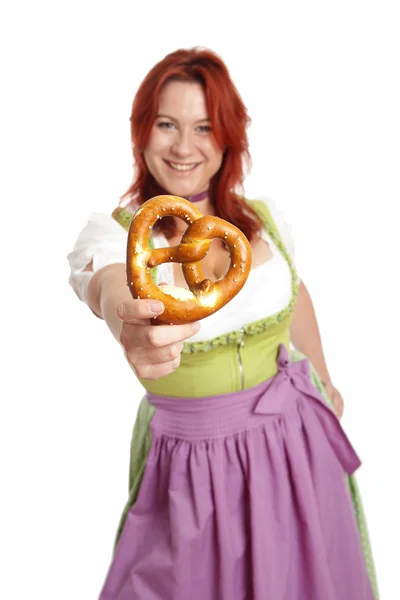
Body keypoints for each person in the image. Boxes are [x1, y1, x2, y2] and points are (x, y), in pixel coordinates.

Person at [67, 47, 379, 599]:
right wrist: (130, 326)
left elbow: (294, 293)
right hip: (194, 465)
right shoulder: (119, 236)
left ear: (229, 136)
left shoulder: (263, 221)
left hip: (298, 442)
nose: (184, 147)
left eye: (205, 127)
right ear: (142, 131)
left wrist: (325, 381)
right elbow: (108, 284)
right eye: (167, 124)